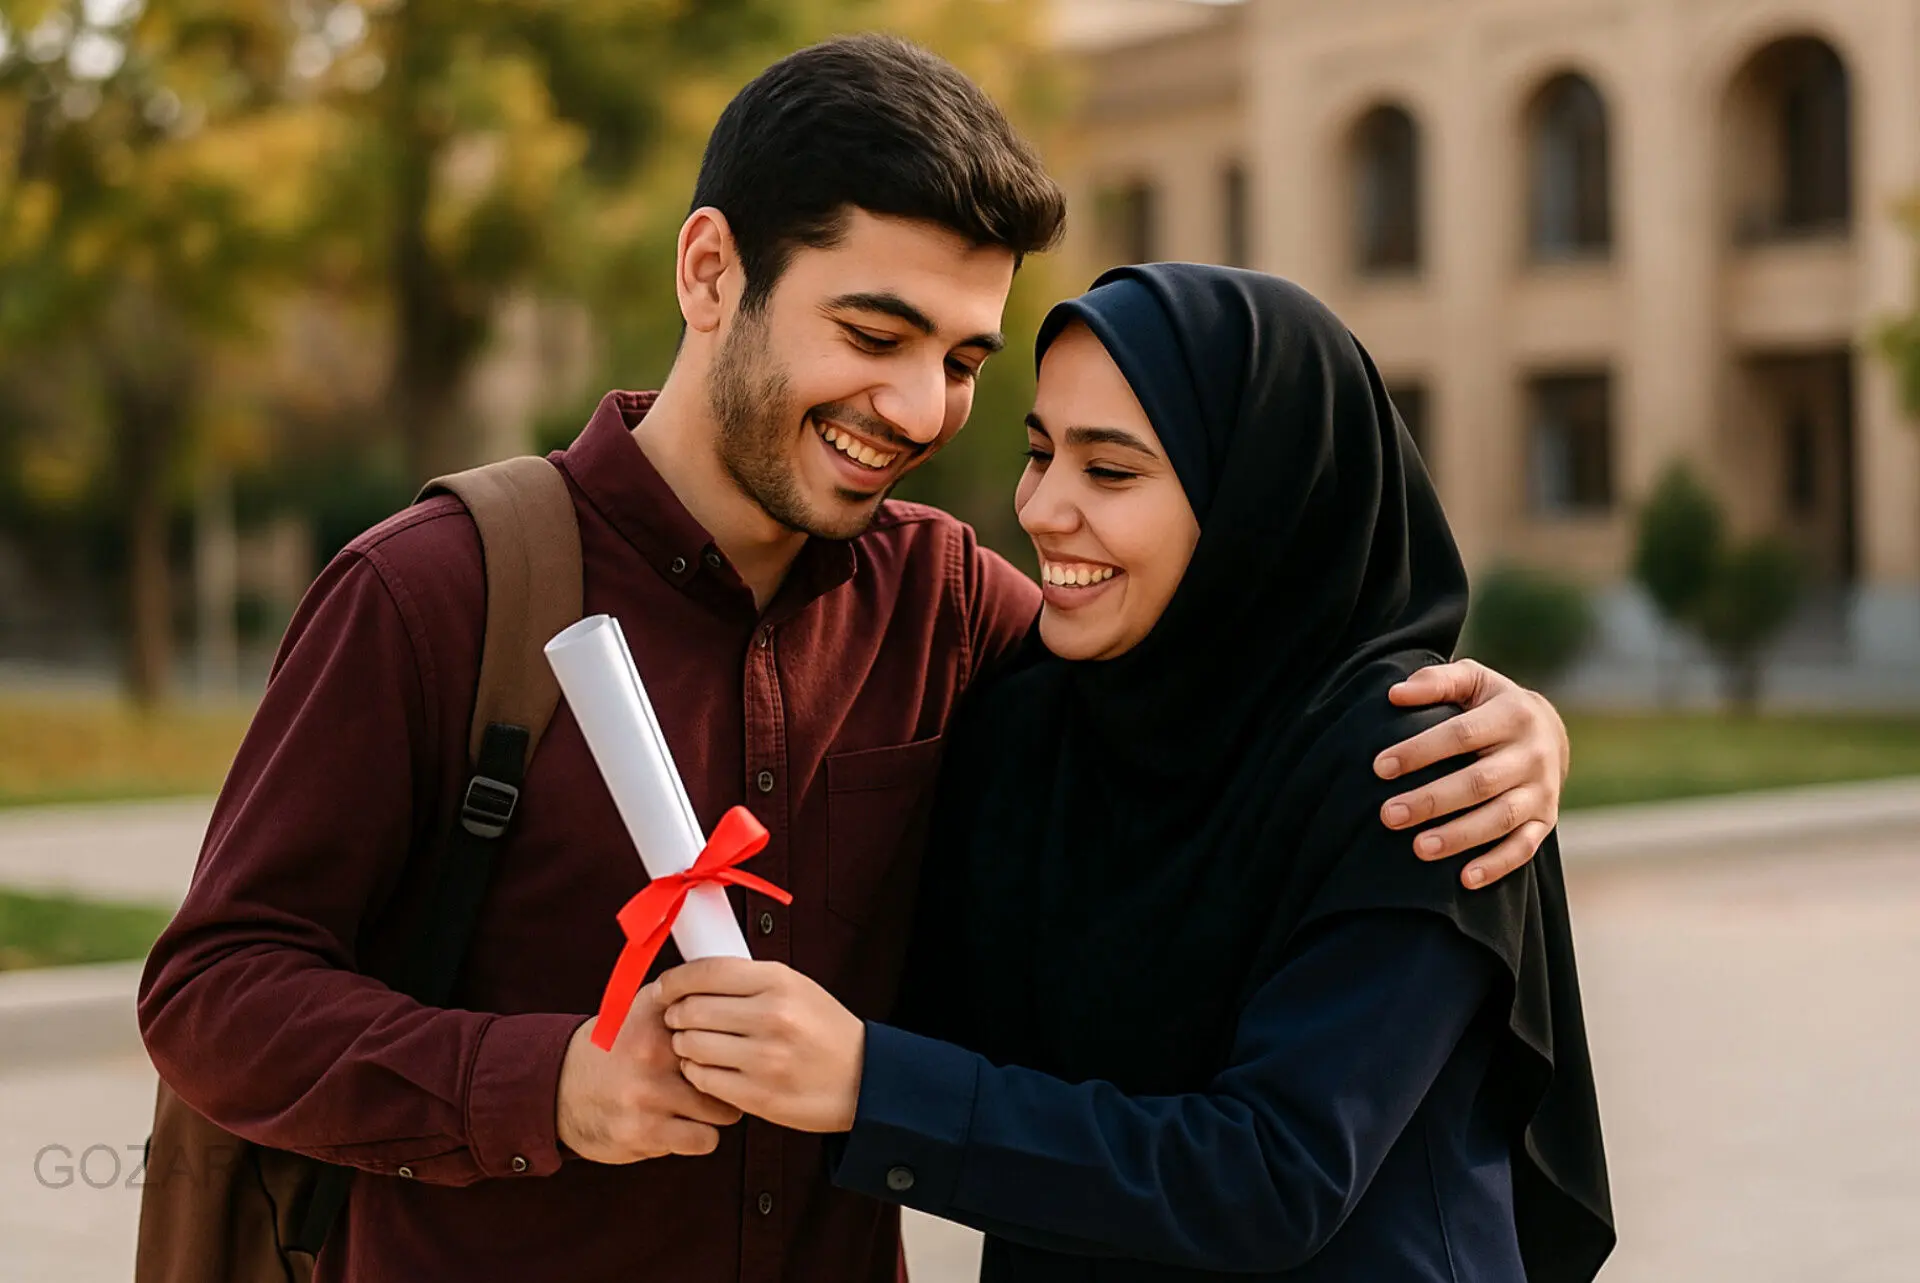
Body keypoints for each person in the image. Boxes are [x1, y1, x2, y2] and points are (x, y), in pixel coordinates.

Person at [139, 38, 1576, 1283]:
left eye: (960, 358)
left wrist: (1511, 722)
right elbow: (214, 989)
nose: (918, 406)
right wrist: (548, 1084)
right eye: (873, 332)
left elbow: (1221, 676)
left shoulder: (955, 610)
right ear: (711, 271)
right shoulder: (435, 589)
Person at [657, 265, 1615, 1282]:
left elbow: (1275, 1174)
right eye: (1039, 452)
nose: (1044, 507)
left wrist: (868, 1081)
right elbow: (912, 1009)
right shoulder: (1034, 728)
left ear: (1258, 497)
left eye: (1110, 472)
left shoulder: (1417, 765)